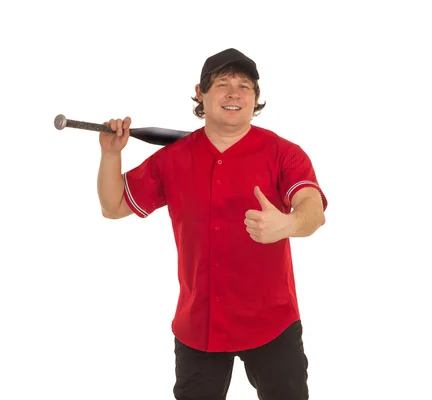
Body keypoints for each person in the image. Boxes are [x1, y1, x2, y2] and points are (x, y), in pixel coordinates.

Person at [97, 48, 328, 400]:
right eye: (222, 84)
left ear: (256, 99)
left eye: (244, 86)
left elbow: (313, 208)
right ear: (201, 93)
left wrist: (289, 224)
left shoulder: (284, 153)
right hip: (198, 325)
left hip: (272, 322)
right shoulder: (172, 159)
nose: (234, 93)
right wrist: (111, 154)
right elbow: (113, 207)